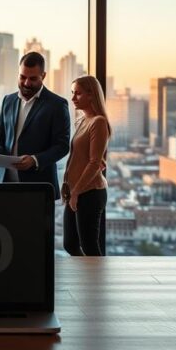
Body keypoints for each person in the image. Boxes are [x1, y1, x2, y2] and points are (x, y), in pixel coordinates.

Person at [0, 52, 71, 198]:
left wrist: (35, 160)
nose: (26, 83)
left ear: (43, 76)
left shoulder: (57, 105)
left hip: (39, 188)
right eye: (22, 77)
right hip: (5, 186)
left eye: (32, 78)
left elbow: (62, 146)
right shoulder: (8, 100)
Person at [62, 75, 112, 256]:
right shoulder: (83, 120)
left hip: (90, 192)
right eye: (72, 93)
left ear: (91, 95)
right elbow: (79, 157)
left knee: (89, 246)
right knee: (70, 244)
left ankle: (95, 275)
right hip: (75, 191)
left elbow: (95, 163)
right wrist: (69, 189)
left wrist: (76, 192)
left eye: (78, 93)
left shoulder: (98, 122)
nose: (73, 98)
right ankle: (87, 273)